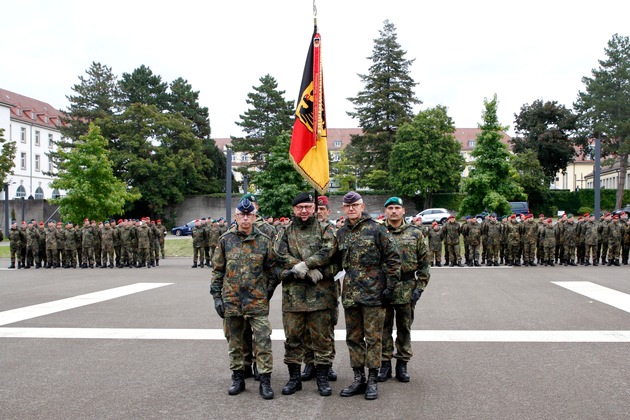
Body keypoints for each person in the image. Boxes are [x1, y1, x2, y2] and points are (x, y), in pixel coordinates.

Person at [335, 191, 401, 400]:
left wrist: (390, 287)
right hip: (351, 294)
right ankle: (358, 378)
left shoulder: (376, 229)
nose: (352, 208)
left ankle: (372, 379)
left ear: (362, 207)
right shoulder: (341, 232)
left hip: (374, 293)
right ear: (344, 209)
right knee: (353, 338)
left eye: (355, 205)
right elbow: (335, 262)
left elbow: (393, 258)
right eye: (348, 206)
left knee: (373, 338)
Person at [271, 192, 338, 397]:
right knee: (293, 339)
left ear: (314, 209)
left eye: (308, 207)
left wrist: (307, 265)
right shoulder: (284, 231)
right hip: (294, 297)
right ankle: (294, 379)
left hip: (321, 296)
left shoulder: (326, 229)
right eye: (300, 207)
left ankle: (323, 380)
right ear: (293, 210)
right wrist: (300, 268)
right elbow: (279, 254)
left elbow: (329, 252)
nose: (304, 210)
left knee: (322, 340)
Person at [210, 199, 276, 399]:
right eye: (242, 215)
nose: (246, 218)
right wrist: (216, 297)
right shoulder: (225, 240)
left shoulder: (264, 240)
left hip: (256, 301)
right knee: (235, 341)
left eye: (249, 215)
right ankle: (238, 377)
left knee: (263, 340)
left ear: (255, 217)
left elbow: (273, 270)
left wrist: (266, 292)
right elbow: (217, 270)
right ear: (236, 216)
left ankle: (265, 380)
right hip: (232, 300)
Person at [378, 197, 429, 384]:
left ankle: (402, 363)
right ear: (385, 211)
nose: (393, 211)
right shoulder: (378, 231)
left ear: (403, 211)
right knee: (383, 328)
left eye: (397, 208)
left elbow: (424, 263)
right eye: (390, 208)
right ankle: (384, 364)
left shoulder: (415, 233)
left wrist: (420, 288)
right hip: (383, 288)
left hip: (407, 288)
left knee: (404, 328)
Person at [300, 195, 339, 383]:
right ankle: (309, 362)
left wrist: (323, 272)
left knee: (326, 328)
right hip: (305, 286)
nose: (320, 213)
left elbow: (339, 261)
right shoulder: (303, 230)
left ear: (328, 212)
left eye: (323, 210)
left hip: (327, 287)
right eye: (318, 209)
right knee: (307, 328)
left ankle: (326, 363)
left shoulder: (334, 231)